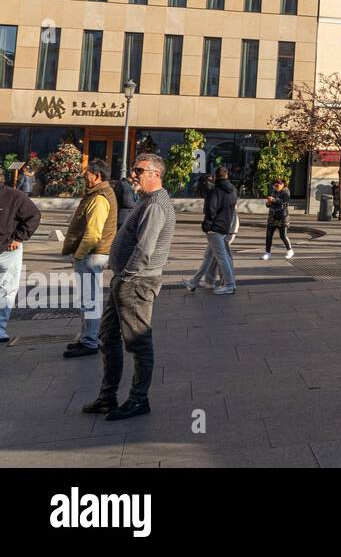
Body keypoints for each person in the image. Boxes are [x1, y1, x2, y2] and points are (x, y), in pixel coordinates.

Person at [81, 152, 174, 420]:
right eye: (134, 169)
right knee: (108, 336)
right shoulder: (146, 201)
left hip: (136, 282)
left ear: (156, 174)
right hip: (126, 280)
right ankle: (107, 396)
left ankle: (138, 400)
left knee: (139, 343)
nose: (133, 174)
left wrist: (127, 276)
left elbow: (145, 249)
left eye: (139, 170)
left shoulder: (155, 204)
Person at [61, 158, 118, 357]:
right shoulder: (98, 194)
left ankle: (90, 341)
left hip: (92, 255)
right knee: (88, 299)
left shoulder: (99, 198)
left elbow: (93, 234)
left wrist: (78, 255)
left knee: (90, 300)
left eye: (88, 173)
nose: (85, 176)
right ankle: (88, 337)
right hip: (94, 254)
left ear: (97, 176)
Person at [0, 169, 42, 346]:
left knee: (6, 290)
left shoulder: (15, 196)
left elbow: (34, 216)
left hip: (9, 250)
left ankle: (0, 328)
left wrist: (18, 238)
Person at [183, 166, 237, 295]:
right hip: (225, 227)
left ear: (215, 176)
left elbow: (210, 211)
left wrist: (207, 226)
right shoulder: (233, 190)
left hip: (214, 228)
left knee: (222, 257)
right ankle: (194, 282)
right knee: (209, 257)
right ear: (227, 175)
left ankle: (230, 284)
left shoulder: (214, 191)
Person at [262, 177, 294, 260]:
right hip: (272, 216)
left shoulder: (286, 191)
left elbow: (284, 201)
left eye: (277, 185)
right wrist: (268, 202)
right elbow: (268, 204)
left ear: (282, 184)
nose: (275, 187)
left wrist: (273, 200)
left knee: (283, 235)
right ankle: (267, 253)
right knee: (269, 236)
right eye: (274, 185)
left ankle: (290, 250)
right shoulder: (273, 191)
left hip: (282, 217)